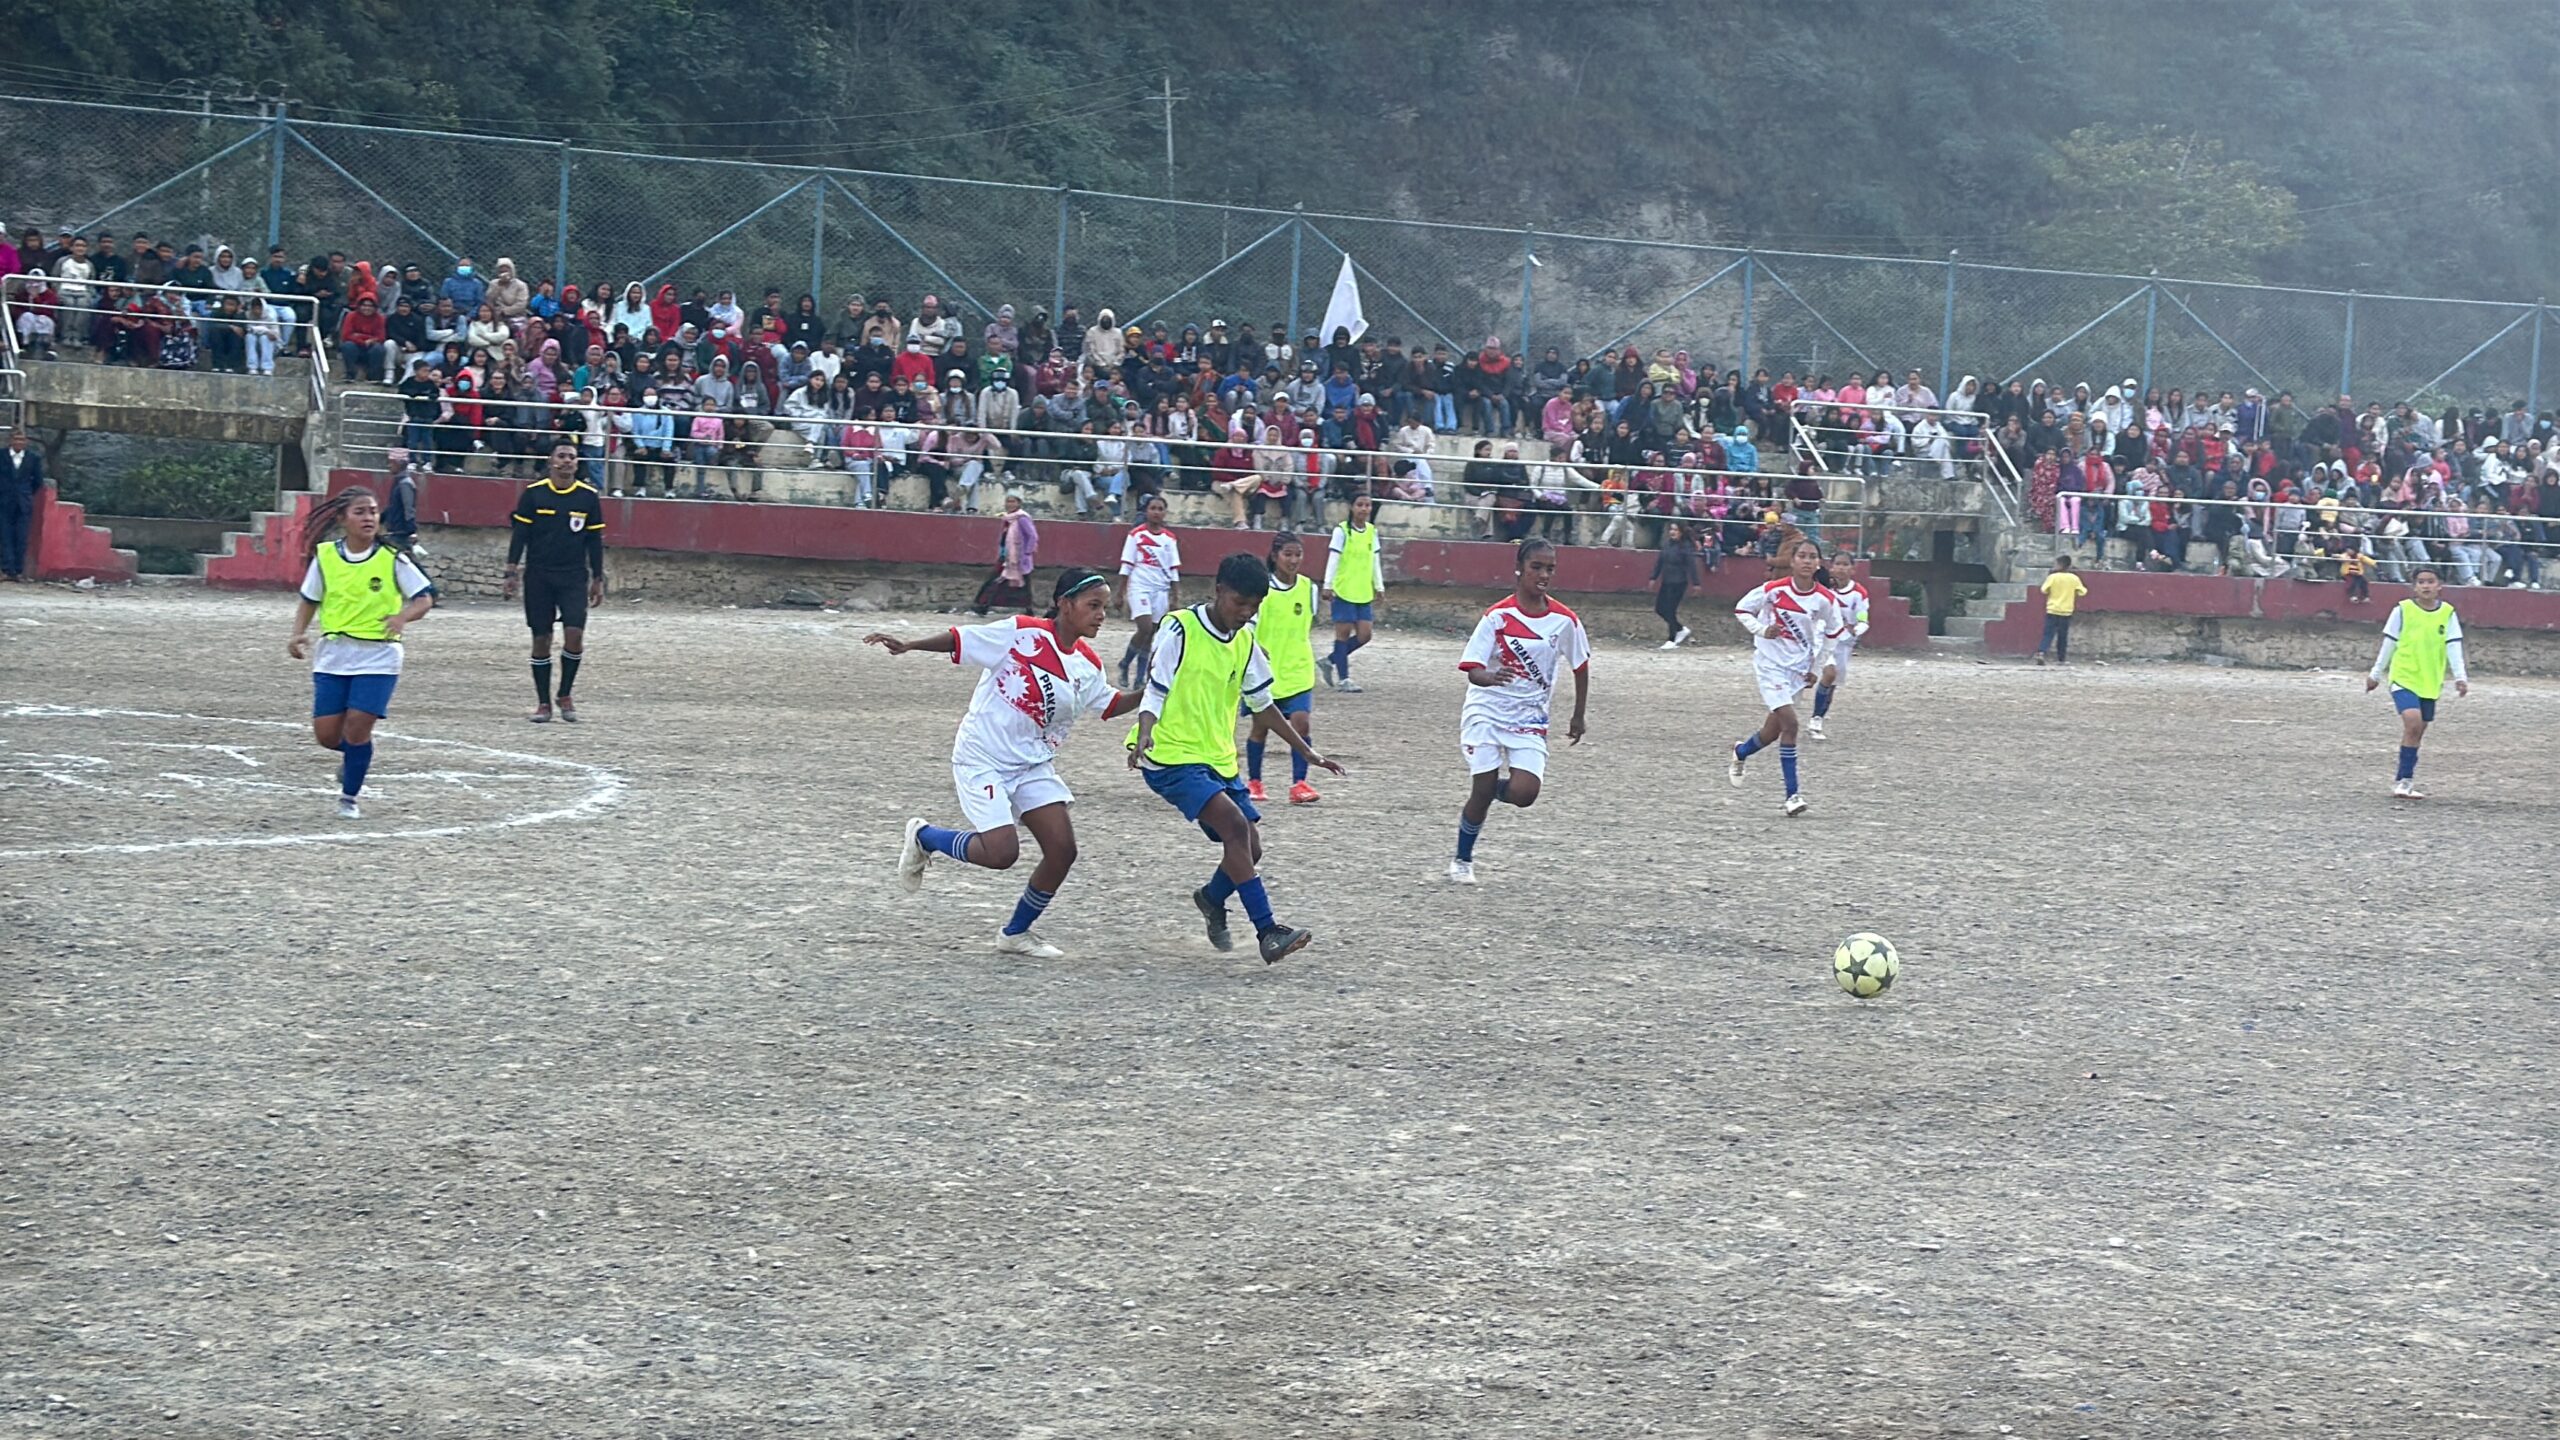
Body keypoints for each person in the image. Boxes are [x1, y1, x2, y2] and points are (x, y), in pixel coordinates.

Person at [872, 569, 1143, 958]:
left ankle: (1015, 934)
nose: (1102, 614)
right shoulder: (1022, 633)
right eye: (1093, 605)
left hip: (1032, 765)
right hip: (983, 757)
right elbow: (961, 639)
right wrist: (911, 645)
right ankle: (925, 837)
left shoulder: (1087, 663)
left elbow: (1110, 704)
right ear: (1065, 604)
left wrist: (1151, 691)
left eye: (1105, 607)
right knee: (1001, 854)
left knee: (1062, 850)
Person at [1127, 552, 1344, 964]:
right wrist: (1146, 731)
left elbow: (1263, 705)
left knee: (1250, 847)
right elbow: (1156, 687)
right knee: (1234, 825)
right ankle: (1268, 931)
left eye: (1254, 606)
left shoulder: (1245, 643)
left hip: (1217, 757)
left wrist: (1307, 751)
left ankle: (1211, 898)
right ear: (1219, 590)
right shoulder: (1180, 628)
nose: (1246, 613)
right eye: (1239, 603)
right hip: (1169, 753)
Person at [286, 488, 437, 819]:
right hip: (334, 654)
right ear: (342, 519)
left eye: (373, 511)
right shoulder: (326, 556)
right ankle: (356, 756)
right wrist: (297, 633)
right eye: (360, 512)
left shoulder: (392, 557)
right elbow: (310, 599)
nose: (369, 518)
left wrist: (402, 617)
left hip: (379, 656)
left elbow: (424, 598)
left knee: (357, 727)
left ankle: (349, 798)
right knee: (327, 735)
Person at [1450, 538, 1591, 884]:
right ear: (1519, 569)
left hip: (1529, 718)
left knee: (1525, 793)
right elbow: (1472, 669)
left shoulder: (1564, 620)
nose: (1544, 575)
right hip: (1486, 712)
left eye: (1550, 569)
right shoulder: (1497, 616)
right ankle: (1462, 859)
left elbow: (1580, 666)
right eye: (1536, 567)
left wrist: (1578, 714)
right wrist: (1489, 677)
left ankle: (1491, 789)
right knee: (1480, 792)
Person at [1727, 534, 1840, 817]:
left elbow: (1832, 635)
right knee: (1791, 724)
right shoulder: (1773, 590)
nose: (1807, 561)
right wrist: (1762, 630)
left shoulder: (1825, 599)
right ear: (1792, 561)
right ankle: (1792, 796)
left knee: (1772, 731)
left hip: (1798, 670)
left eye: (1812, 557)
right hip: (1770, 665)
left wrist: (1816, 668)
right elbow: (1742, 609)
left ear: (1819, 564)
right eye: (1802, 556)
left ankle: (1742, 752)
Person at [502, 442, 608, 723]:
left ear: (577, 463)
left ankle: (564, 693)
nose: (567, 461)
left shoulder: (588, 496)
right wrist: (511, 571)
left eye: (572, 457)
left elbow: (594, 541)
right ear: (551, 461)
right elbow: (520, 535)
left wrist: (598, 578)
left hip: (573, 576)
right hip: (539, 576)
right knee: (541, 639)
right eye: (561, 456)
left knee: (575, 635)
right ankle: (543, 703)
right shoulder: (534, 494)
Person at [2365, 568, 2468, 799]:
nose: (2426, 586)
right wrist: (2376, 674)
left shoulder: (2448, 613)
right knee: (2412, 722)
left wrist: (2460, 677)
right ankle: (2403, 781)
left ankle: (2407, 778)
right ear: (2414, 587)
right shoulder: (2402, 610)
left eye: (2430, 581)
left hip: (2430, 681)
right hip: (2404, 676)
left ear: (2439, 586)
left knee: (2417, 731)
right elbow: (2389, 643)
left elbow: (2453, 646)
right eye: (2421, 582)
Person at [1243, 531, 1323, 806]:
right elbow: (1248, 626)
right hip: (1265, 671)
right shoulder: (1262, 589)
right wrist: (1256, 647)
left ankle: (1299, 783)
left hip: (1298, 669)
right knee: (1261, 727)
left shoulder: (1309, 588)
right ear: (1275, 556)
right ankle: (1255, 781)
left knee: (1302, 723)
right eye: (1288, 554)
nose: (1293, 560)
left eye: (1298, 554)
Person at [1116, 491, 1181, 687]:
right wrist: (1120, 593)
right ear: (1146, 511)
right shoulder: (1136, 535)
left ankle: (1139, 677)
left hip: (1160, 590)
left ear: (1165, 513)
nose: (1156, 512)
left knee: (1151, 633)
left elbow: (1173, 569)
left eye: (1160, 509)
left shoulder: (1169, 539)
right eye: (1153, 508)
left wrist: (1175, 596)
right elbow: (1126, 565)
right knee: (1144, 628)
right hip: (1140, 587)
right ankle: (1125, 663)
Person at [1322, 491, 1384, 692]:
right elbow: (1333, 559)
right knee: (1343, 633)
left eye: (1367, 505)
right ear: (1352, 507)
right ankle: (1344, 679)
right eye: (1360, 505)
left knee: (1365, 635)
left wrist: (1379, 586)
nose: (1364, 509)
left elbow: (1374, 560)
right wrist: (1328, 584)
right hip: (1344, 589)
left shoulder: (1372, 531)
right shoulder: (1342, 531)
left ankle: (1331, 660)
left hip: (1363, 590)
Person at [1809, 556, 1871, 739]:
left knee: (1832, 683)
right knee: (1829, 674)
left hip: (1843, 643)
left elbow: (1862, 619)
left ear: (1853, 569)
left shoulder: (1858, 593)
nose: (1841, 568)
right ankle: (1810, 718)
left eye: (1846, 565)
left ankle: (1817, 717)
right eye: (1837, 564)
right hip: (1822, 638)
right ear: (1831, 567)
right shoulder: (1824, 589)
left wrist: (1856, 629)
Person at [971, 491, 1038, 615]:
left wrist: (1026, 553)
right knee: (998, 581)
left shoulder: (1021, 518)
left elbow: (1032, 536)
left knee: (1004, 582)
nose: (1009, 504)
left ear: (1019, 503)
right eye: (1008, 501)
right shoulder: (1009, 518)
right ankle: (984, 606)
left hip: (1018, 557)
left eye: (1013, 501)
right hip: (1007, 556)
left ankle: (983, 606)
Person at [1, 428, 45, 581]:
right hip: (4, 502)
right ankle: (6, 570)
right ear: (10, 441)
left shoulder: (33, 458)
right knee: (5, 536)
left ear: (26, 442)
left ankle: (18, 571)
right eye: (16, 439)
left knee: (21, 537)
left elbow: (38, 481)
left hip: (23, 503)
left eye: (22, 439)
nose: (19, 442)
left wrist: (26, 494)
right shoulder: (1, 456)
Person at [1651, 520, 1703, 648]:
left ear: (1681, 532)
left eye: (1675, 530)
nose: (1672, 532)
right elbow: (1660, 562)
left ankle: (1671, 639)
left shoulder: (1685, 547)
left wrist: (1696, 583)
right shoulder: (1667, 544)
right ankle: (1680, 629)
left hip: (1679, 582)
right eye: (1671, 529)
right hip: (1666, 580)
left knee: (1670, 610)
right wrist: (1654, 577)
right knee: (1659, 609)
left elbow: (1691, 566)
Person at [2035, 554, 2086, 666]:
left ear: (2059, 565)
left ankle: (2041, 652)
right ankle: (2061, 659)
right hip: (2066, 611)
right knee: (2062, 636)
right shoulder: (2074, 578)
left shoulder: (2052, 577)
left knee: (2048, 634)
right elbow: (2083, 592)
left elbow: (2043, 590)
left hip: (2052, 609)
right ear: (2069, 566)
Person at [380, 448, 421, 557]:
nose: (389, 466)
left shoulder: (405, 484)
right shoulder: (399, 482)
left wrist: (411, 531)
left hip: (401, 534)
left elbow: (408, 509)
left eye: (391, 463)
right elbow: (393, 507)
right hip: (396, 532)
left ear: (400, 464)